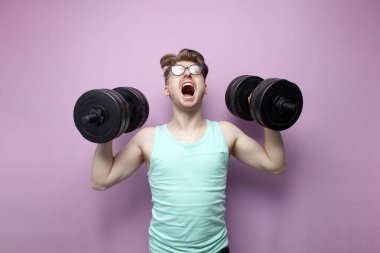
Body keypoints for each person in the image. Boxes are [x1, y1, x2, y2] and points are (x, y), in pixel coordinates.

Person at [91, 49, 286, 253]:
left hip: (216, 249)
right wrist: (107, 129)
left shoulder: (225, 133)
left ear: (205, 87)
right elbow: (101, 180)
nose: (187, 74)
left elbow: (275, 163)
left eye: (195, 71)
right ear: (167, 89)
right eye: (177, 71)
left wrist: (265, 110)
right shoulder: (148, 139)